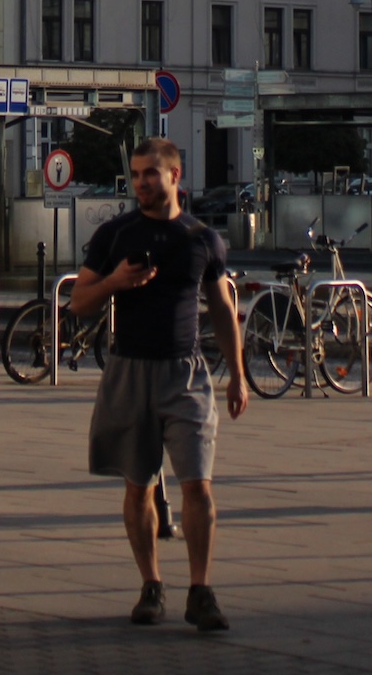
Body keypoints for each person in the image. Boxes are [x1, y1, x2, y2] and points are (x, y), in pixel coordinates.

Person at [70, 138, 249, 632]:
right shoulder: (115, 234)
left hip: (184, 374)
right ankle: (151, 584)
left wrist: (237, 376)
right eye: (136, 174)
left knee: (198, 484)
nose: (142, 183)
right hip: (129, 371)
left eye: (151, 173)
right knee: (138, 487)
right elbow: (77, 301)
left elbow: (221, 308)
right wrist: (114, 284)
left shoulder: (201, 239)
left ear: (176, 177)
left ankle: (200, 590)